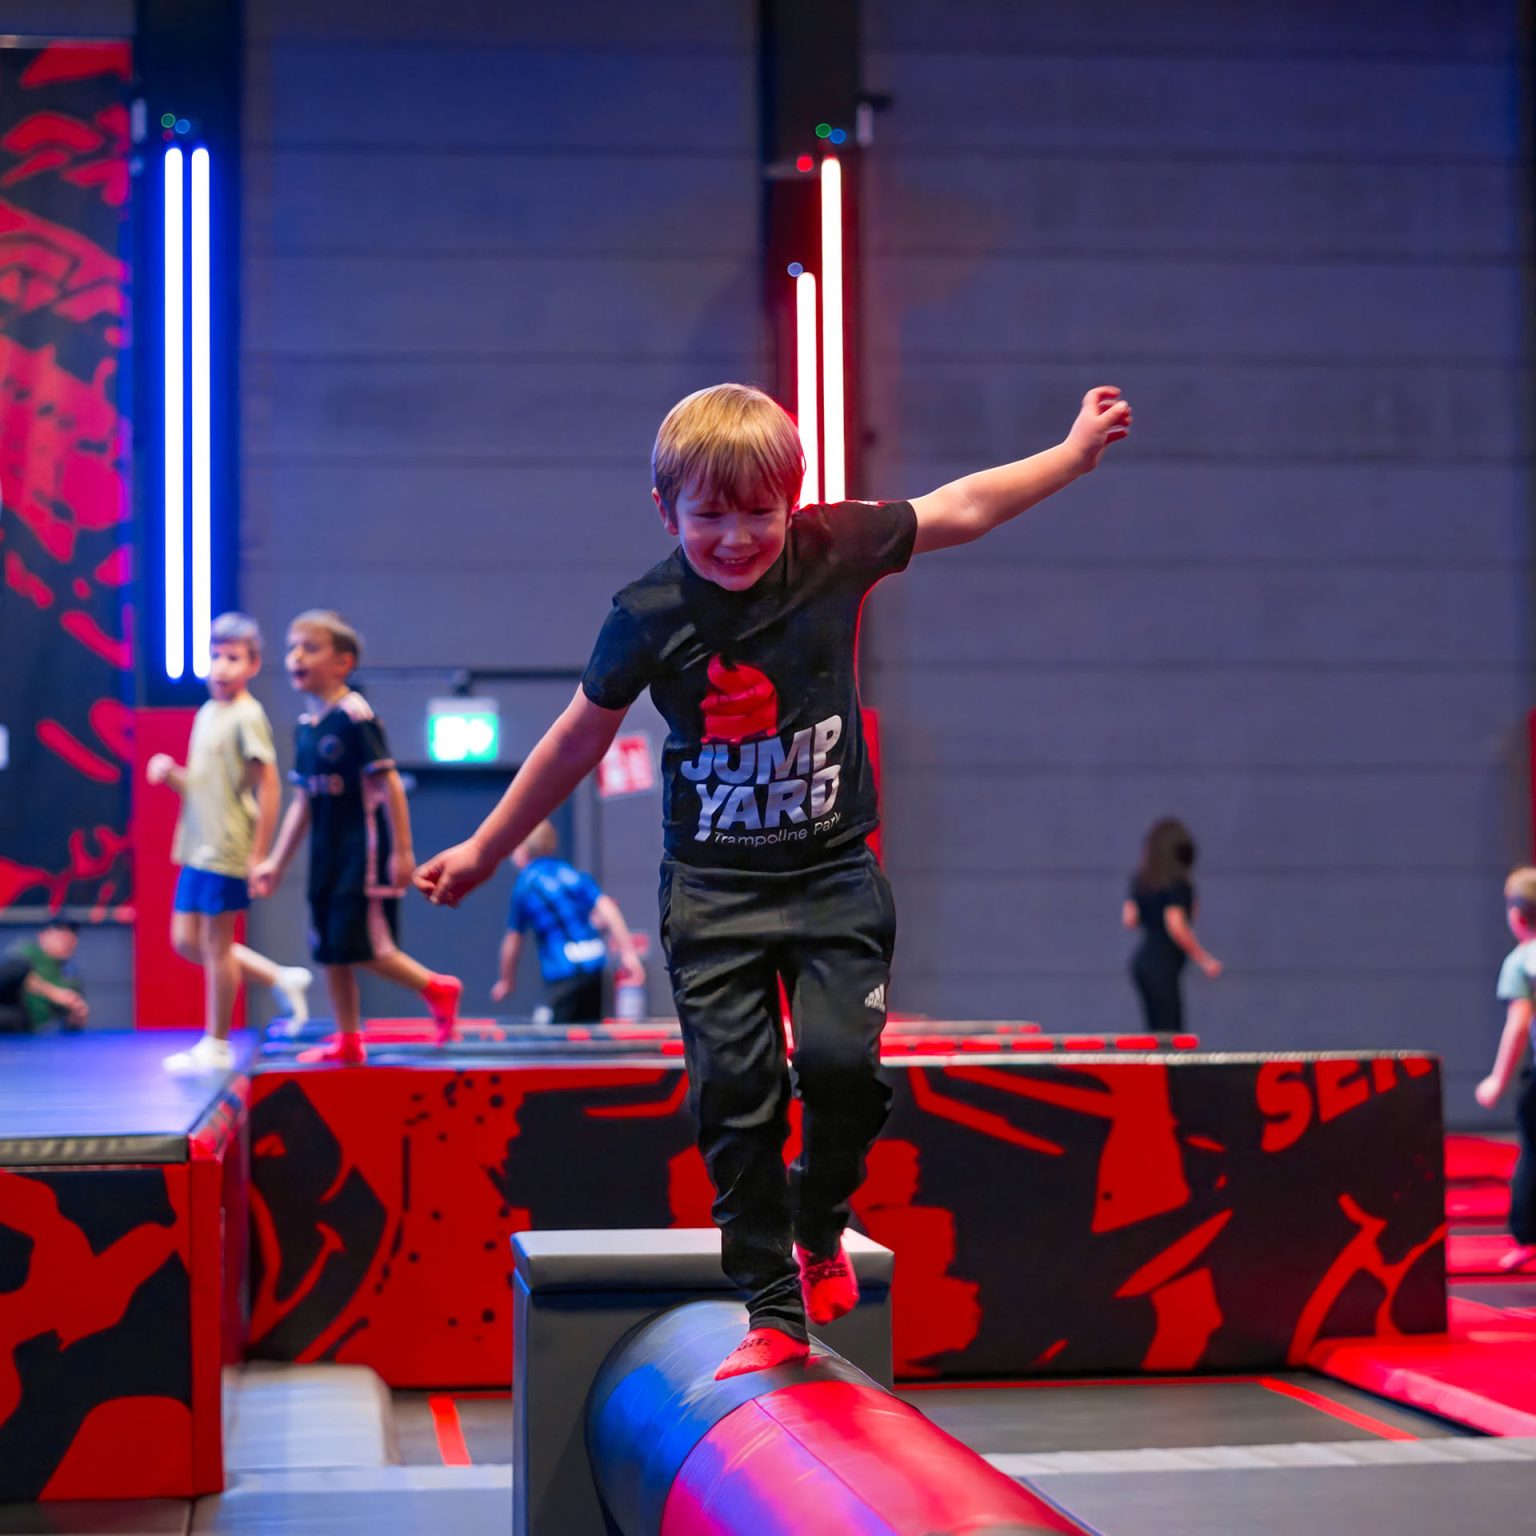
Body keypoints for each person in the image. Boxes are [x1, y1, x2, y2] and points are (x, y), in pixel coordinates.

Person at [416, 379, 1132, 1377]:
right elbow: (577, 739)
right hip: (714, 894)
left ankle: (820, 1216)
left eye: (761, 512)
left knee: (843, 1070)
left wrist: (1072, 453)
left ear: (794, 501)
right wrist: (486, 848)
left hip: (834, 874)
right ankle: (770, 1308)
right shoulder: (648, 615)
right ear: (666, 511)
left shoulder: (833, 550)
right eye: (711, 516)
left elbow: (962, 506)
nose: (739, 538)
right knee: (735, 1095)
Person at [249, 610, 462, 1065]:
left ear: (342, 663)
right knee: (330, 949)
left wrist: (402, 851)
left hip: (361, 854)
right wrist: (276, 862)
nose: (296, 657)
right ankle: (348, 1039)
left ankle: (436, 988)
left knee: (367, 948)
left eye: (310, 648)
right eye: (292, 648)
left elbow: (390, 785)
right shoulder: (306, 728)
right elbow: (303, 803)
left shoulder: (355, 717)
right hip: (324, 855)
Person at [147, 612, 313, 1073]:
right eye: (215, 656)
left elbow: (269, 784)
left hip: (228, 847)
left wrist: (260, 854)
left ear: (253, 664)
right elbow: (201, 786)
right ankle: (279, 977)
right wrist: (170, 774)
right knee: (186, 941)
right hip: (196, 845)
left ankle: (216, 1044)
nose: (221, 666)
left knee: (217, 946)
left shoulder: (247, 715)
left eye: (233, 658)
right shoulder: (207, 712)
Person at [492, 820, 644, 1022]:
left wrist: (506, 980)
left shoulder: (526, 885)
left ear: (522, 850)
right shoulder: (571, 873)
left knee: (560, 1036)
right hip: (594, 967)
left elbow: (513, 941)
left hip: (562, 972)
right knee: (589, 1031)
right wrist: (628, 954)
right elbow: (608, 909)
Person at [1473, 866, 1536, 1274]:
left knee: (1533, 1152)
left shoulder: (1521, 961)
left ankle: (1527, 1237)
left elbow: (1518, 1022)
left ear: (1516, 916)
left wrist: (1497, 1080)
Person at [1122, 817, 1222, 1035]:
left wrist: (1151, 913)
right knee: (1171, 1030)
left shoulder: (1142, 881)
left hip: (1143, 962)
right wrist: (1204, 959)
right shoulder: (1176, 885)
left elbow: (1129, 918)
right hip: (1163, 963)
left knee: (1156, 1029)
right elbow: (1176, 925)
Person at [0, 918, 88, 1033]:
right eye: (60, 932)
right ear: (43, 936)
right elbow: (12, 973)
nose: (68, 939)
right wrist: (53, 993)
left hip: (27, 1029)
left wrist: (76, 1017)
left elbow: (68, 1024)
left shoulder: (70, 978)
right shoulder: (29, 953)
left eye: (73, 934)